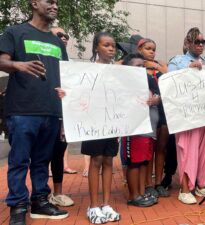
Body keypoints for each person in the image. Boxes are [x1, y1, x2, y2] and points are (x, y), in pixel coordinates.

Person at [0, 0, 69, 224]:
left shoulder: (58, 42)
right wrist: (18, 65)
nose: (54, 5)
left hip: (51, 110)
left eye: (57, 3)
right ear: (34, 3)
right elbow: (1, 60)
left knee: (42, 161)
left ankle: (40, 200)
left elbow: (67, 75)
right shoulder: (15, 32)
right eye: (49, 1)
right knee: (19, 160)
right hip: (22, 109)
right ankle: (18, 206)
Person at [57, 32, 121, 224]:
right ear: (96, 47)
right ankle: (93, 206)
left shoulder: (119, 73)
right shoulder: (86, 70)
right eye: (106, 45)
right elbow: (76, 92)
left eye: (113, 46)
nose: (111, 49)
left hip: (112, 122)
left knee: (109, 160)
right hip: (93, 123)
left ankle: (106, 204)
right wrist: (65, 94)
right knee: (96, 160)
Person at [168, 27, 205, 204]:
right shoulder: (177, 60)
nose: (200, 45)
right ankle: (184, 189)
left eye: (203, 42)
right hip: (187, 117)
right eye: (196, 41)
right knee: (187, 151)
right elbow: (170, 83)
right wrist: (188, 69)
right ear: (187, 43)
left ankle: (202, 184)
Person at [122, 53, 160, 207]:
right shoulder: (124, 83)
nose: (141, 69)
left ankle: (142, 192)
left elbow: (159, 94)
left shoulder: (149, 80)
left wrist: (157, 99)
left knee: (144, 162)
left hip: (150, 129)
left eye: (143, 66)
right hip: (135, 129)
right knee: (134, 163)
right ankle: (133, 196)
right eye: (137, 66)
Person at [137, 38, 170, 198]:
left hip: (163, 110)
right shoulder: (137, 65)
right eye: (148, 48)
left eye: (153, 49)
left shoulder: (160, 65)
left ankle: (158, 182)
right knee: (149, 147)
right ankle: (148, 184)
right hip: (146, 111)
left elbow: (170, 81)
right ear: (140, 49)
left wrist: (156, 66)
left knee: (161, 148)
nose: (151, 52)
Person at [47, 26, 75, 208]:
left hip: (62, 117)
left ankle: (57, 193)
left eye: (66, 35)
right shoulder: (42, 59)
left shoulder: (70, 64)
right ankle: (39, 194)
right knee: (39, 157)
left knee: (58, 154)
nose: (63, 38)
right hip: (42, 113)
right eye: (59, 35)